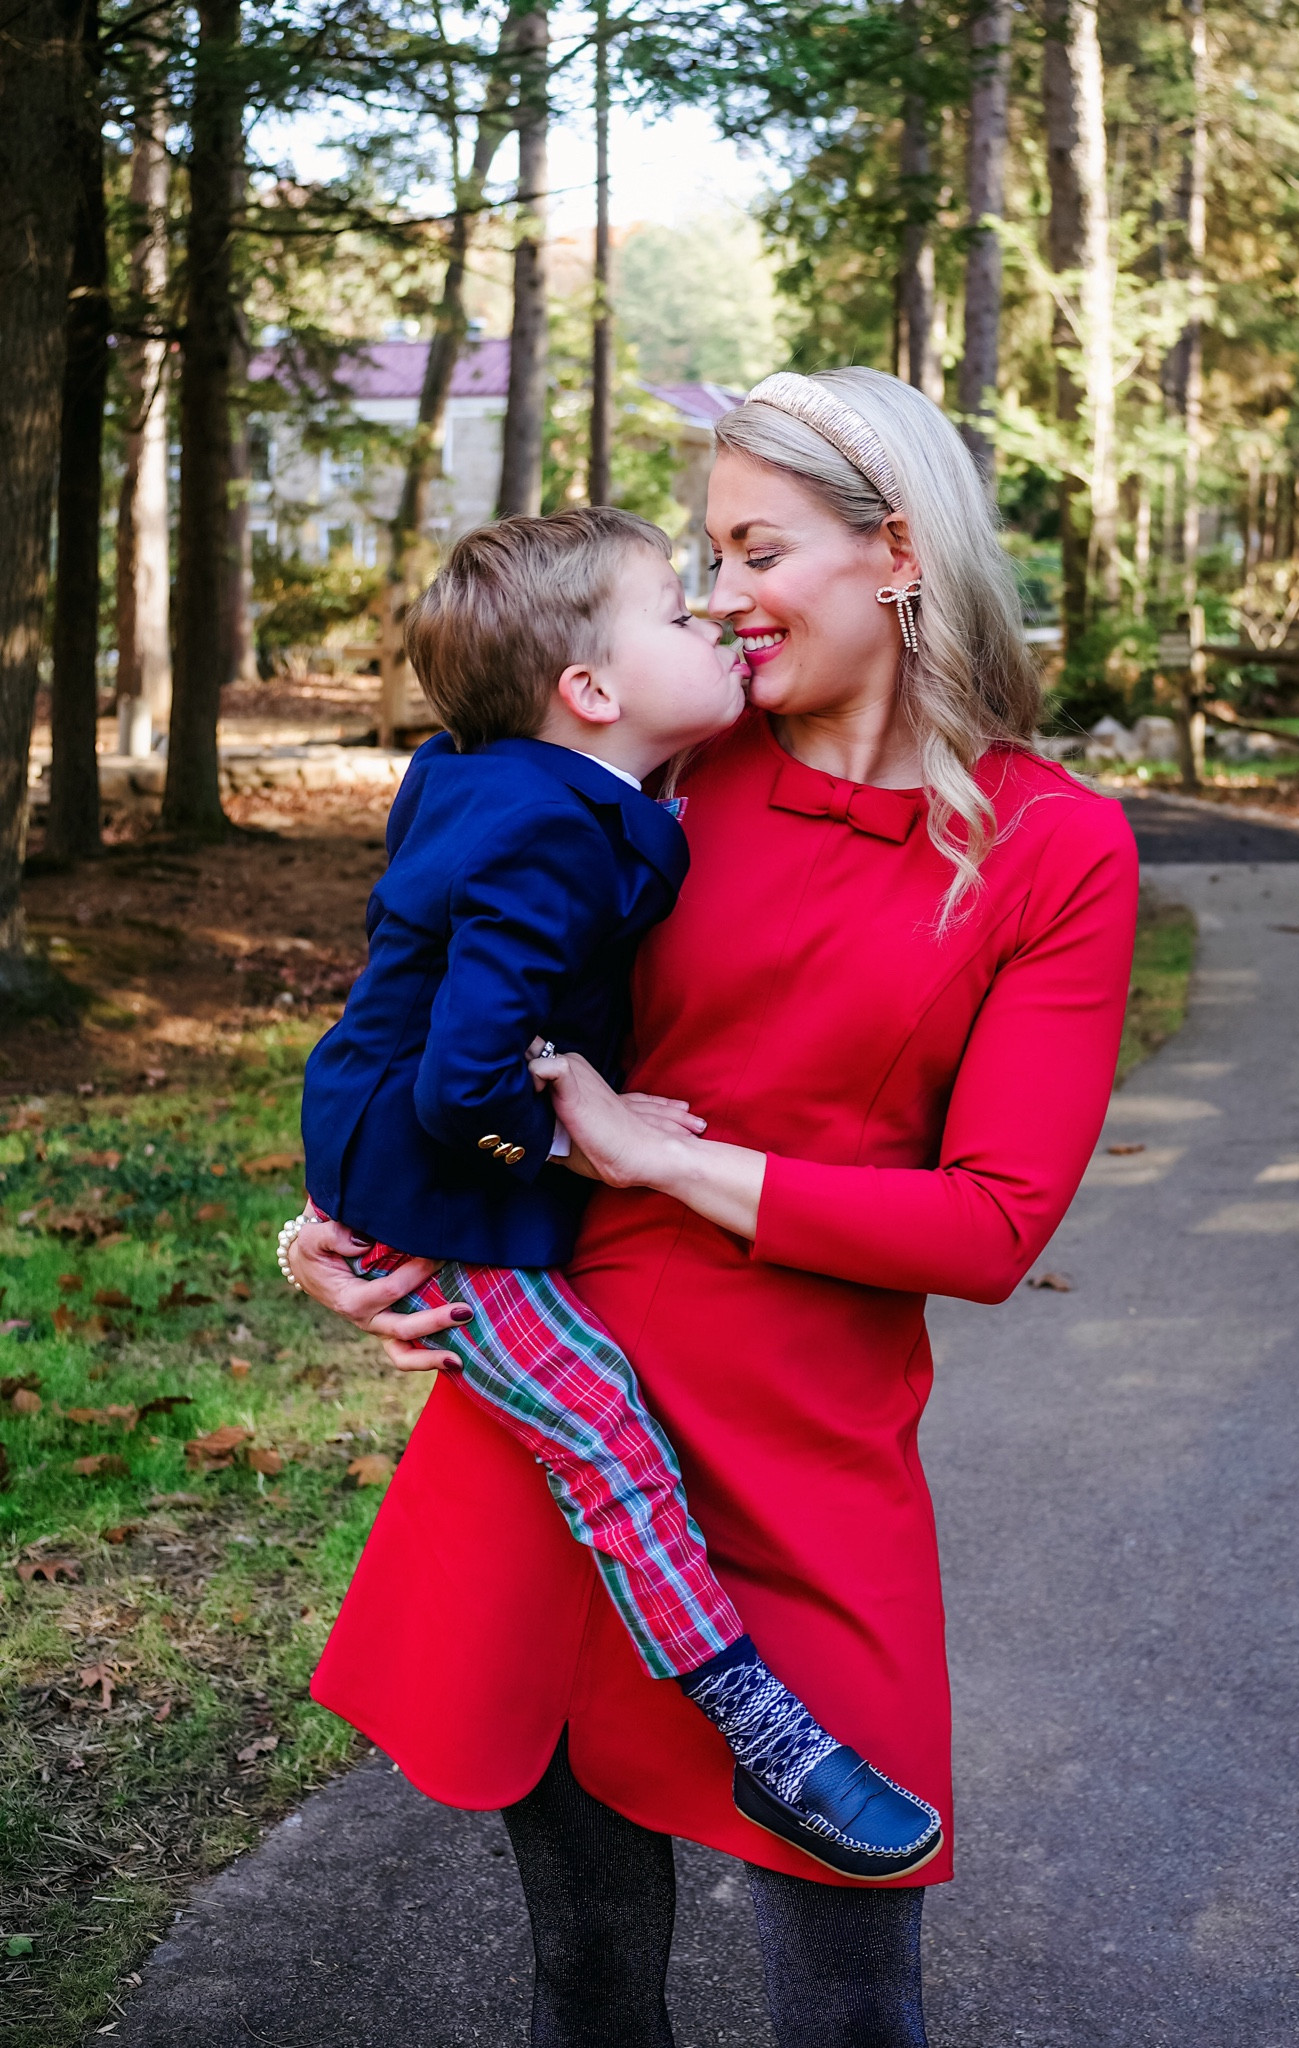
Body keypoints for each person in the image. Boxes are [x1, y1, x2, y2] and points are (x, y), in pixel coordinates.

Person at [291, 367, 1139, 2048]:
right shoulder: (662, 764)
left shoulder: (1055, 850)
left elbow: (988, 1228)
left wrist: (658, 1154)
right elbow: (425, 992)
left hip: (808, 1462)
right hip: (571, 1432)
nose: (727, 599)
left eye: (758, 549)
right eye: (706, 560)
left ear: (895, 549)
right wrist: (335, 1220)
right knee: (588, 1986)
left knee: (850, 2008)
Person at [292, 505, 942, 1882]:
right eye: (678, 605)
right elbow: (462, 1081)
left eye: (741, 569)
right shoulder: (555, 837)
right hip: (439, 1187)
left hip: (381, 1139)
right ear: (591, 692)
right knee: (605, 1433)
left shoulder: (518, 781)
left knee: (601, 1428)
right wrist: (587, 1134)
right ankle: (761, 1730)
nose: (712, 612)